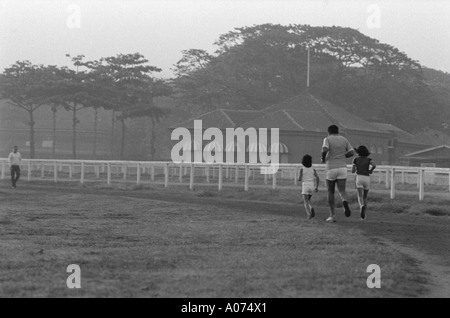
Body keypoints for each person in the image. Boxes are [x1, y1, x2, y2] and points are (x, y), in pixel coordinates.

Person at [321, 125, 354, 223]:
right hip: (342, 167)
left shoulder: (327, 139)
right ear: (337, 131)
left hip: (331, 167)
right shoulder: (344, 139)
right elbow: (351, 152)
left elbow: (325, 150)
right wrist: (344, 155)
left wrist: (323, 158)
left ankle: (332, 215)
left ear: (329, 132)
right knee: (342, 190)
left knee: (330, 191)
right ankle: (344, 202)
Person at [352, 145, 377, 221]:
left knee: (359, 195)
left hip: (359, 177)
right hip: (367, 178)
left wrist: (356, 168)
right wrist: (371, 170)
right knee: (365, 196)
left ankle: (361, 206)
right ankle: (364, 215)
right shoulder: (369, 159)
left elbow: (352, 171)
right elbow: (374, 165)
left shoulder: (355, 159)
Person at [298, 155, 320, 220]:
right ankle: (311, 207)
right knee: (309, 200)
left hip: (305, 185)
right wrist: (316, 187)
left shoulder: (302, 169)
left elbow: (299, 179)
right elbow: (317, 178)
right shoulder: (313, 169)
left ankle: (309, 214)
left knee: (306, 201)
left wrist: (300, 177)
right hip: (312, 185)